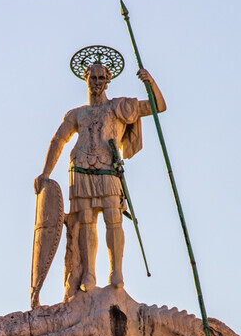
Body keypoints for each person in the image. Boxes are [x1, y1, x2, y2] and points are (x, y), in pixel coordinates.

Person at [34, 63, 166, 296]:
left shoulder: (119, 107)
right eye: (92, 77)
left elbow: (157, 107)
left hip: (108, 167)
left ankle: (116, 271)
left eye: (101, 78)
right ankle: (89, 273)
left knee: (113, 218)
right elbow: (58, 140)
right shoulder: (77, 114)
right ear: (86, 78)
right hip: (80, 168)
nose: (96, 82)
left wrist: (150, 82)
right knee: (86, 221)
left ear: (108, 80)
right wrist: (45, 173)